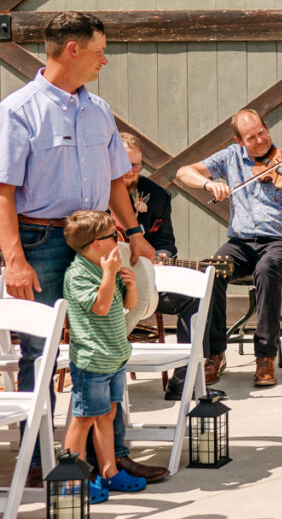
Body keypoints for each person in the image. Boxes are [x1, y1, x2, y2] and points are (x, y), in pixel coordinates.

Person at [0, 11, 156, 486]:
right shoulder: (17, 110)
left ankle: (113, 456)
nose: (104, 61)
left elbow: (114, 182)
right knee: (38, 350)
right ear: (73, 50)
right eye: (100, 51)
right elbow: (2, 191)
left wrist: (134, 234)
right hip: (40, 241)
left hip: (97, 242)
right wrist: (14, 261)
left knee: (108, 344)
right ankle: (38, 459)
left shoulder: (99, 110)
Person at [175, 109, 282, 388]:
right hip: (241, 242)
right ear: (240, 140)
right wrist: (209, 183)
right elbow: (183, 172)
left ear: (267, 127)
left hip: (280, 242)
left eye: (262, 132)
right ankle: (215, 353)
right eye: (251, 137)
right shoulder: (230, 158)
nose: (260, 140)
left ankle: (265, 356)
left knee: (267, 268)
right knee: (211, 270)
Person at [117, 132, 224, 402]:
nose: (133, 171)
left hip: (145, 278)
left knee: (193, 298)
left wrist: (161, 255)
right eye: (126, 164)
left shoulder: (157, 196)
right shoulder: (93, 193)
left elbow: (166, 243)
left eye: (138, 165)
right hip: (105, 283)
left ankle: (183, 380)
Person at [62, 210, 147, 503]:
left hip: (113, 356)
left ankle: (109, 472)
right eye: (114, 236)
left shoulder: (105, 266)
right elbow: (99, 306)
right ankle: (73, 482)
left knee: (108, 414)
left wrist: (131, 285)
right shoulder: (78, 274)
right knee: (84, 418)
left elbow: (127, 304)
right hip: (91, 359)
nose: (118, 240)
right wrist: (109, 275)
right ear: (97, 243)